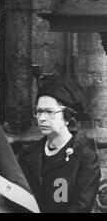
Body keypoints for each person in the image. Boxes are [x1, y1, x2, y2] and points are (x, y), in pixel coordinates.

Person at [19, 78, 101, 213]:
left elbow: (81, 207)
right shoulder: (29, 154)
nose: (42, 118)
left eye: (49, 112)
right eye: (39, 111)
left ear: (67, 116)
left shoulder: (85, 156)